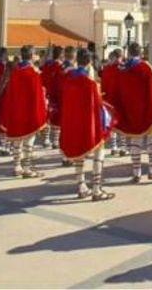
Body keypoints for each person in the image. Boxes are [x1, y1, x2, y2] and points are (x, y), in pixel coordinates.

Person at [60, 48, 115, 201]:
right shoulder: (90, 83)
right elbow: (97, 105)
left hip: (74, 122)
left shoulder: (68, 79)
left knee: (79, 155)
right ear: (89, 61)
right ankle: (96, 189)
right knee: (99, 153)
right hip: (90, 124)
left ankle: (81, 186)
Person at [112, 42, 152, 183]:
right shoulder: (145, 67)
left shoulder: (122, 69)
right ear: (140, 52)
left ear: (129, 52)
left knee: (135, 139)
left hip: (131, 111)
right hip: (148, 109)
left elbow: (118, 90)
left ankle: (136, 172)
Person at [0, 45, 48, 178]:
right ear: (32, 56)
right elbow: (37, 96)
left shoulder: (15, 71)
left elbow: (10, 92)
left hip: (15, 110)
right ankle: (26, 169)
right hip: (29, 112)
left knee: (17, 141)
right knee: (29, 141)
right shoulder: (33, 73)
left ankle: (16, 166)